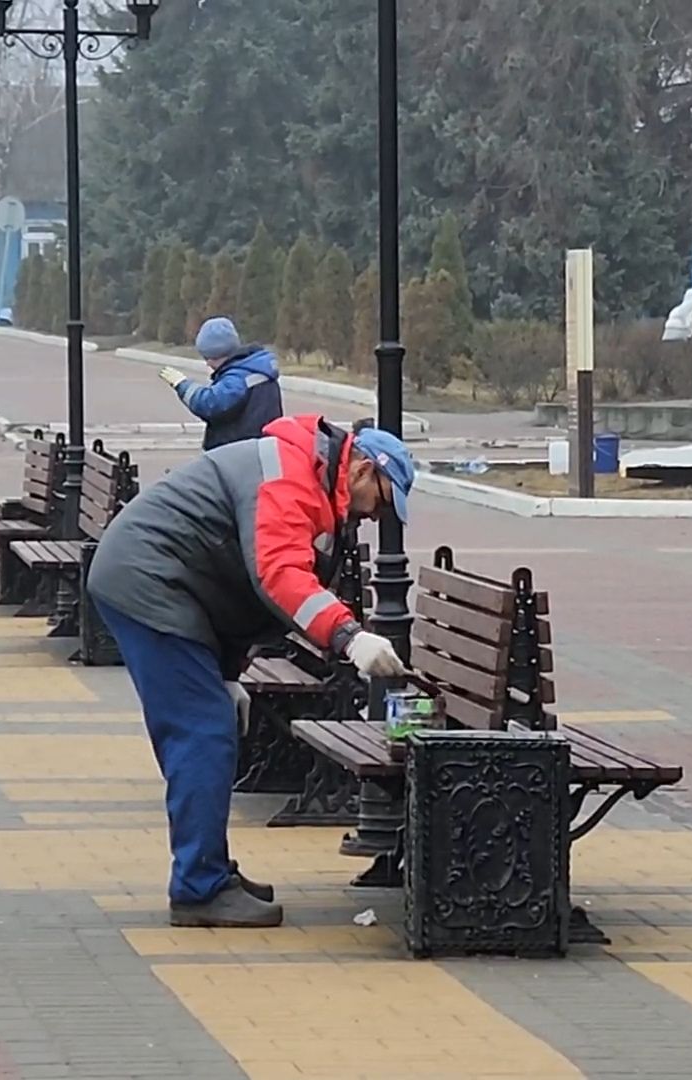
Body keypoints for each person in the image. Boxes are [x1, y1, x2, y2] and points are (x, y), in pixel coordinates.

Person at [86, 415, 416, 927]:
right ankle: (200, 888)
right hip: (149, 583)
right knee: (202, 735)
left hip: (164, 583)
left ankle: (210, 869)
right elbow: (276, 575)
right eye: (382, 499)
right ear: (363, 471)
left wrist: (228, 673)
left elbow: (237, 587)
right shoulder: (291, 477)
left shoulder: (304, 471)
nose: (374, 516)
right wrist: (349, 637)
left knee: (209, 728)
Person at [158, 316, 283, 450]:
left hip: (237, 453)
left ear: (217, 354)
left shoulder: (238, 377)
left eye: (207, 358)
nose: (207, 363)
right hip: (258, 448)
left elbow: (210, 404)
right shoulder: (255, 369)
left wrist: (181, 384)